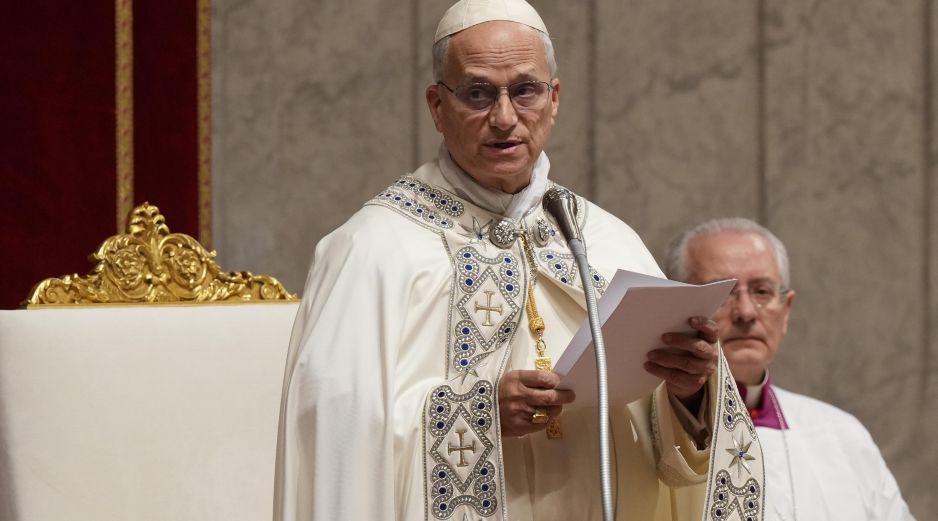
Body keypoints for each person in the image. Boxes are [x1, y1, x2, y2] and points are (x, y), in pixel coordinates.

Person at [273, 1, 765, 519]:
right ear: (437, 107)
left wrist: (687, 394)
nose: (504, 118)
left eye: (525, 91)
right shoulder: (370, 249)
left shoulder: (603, 239)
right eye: (478, 93)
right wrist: (475, 415)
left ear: (554, 100)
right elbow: (332, 438)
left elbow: (666, 456)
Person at [664, 217, 915, 521]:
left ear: (786, 311)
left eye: (761, 291)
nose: (745, 312)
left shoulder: (842, 435)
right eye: (723, 292)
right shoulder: (641, 432)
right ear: (677, 304)